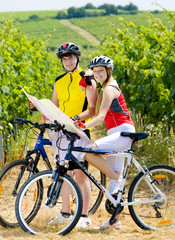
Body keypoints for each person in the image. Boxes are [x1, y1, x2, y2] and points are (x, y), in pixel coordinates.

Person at [74, 56, 135, 229]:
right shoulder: (104, 85)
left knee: (87, 150)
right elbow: (89, 73)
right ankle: (115, 221)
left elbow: (100, 117)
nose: (98, 73)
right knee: (115, 184)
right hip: (116, 133)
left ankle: (116, 179)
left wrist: (82, 126)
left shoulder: (109, 89)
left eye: (102, 70)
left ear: (109, 71)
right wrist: (87, 76)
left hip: (123, 133)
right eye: (96, 70)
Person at [47, 43, 98, 227]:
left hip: (79, 131)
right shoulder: (58, 81)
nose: (67, 61)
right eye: (64, 58)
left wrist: (75, 118)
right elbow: (54, 107)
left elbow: (92, 110)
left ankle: (84, 216)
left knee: (80, 174)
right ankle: (66, 213)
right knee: (64, 173)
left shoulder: (87, 79)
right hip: (63, 133)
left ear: (78, 58)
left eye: (70, 57)